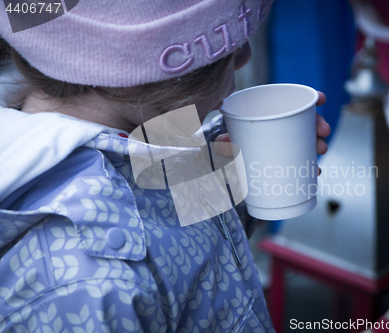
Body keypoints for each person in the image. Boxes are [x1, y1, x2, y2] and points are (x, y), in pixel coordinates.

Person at [0, 1, 331, 332]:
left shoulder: (138, 140)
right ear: (133, 72)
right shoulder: (87, 280)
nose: (244, 57)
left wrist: (237, 192)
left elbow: (166, 231)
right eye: (229, 49)